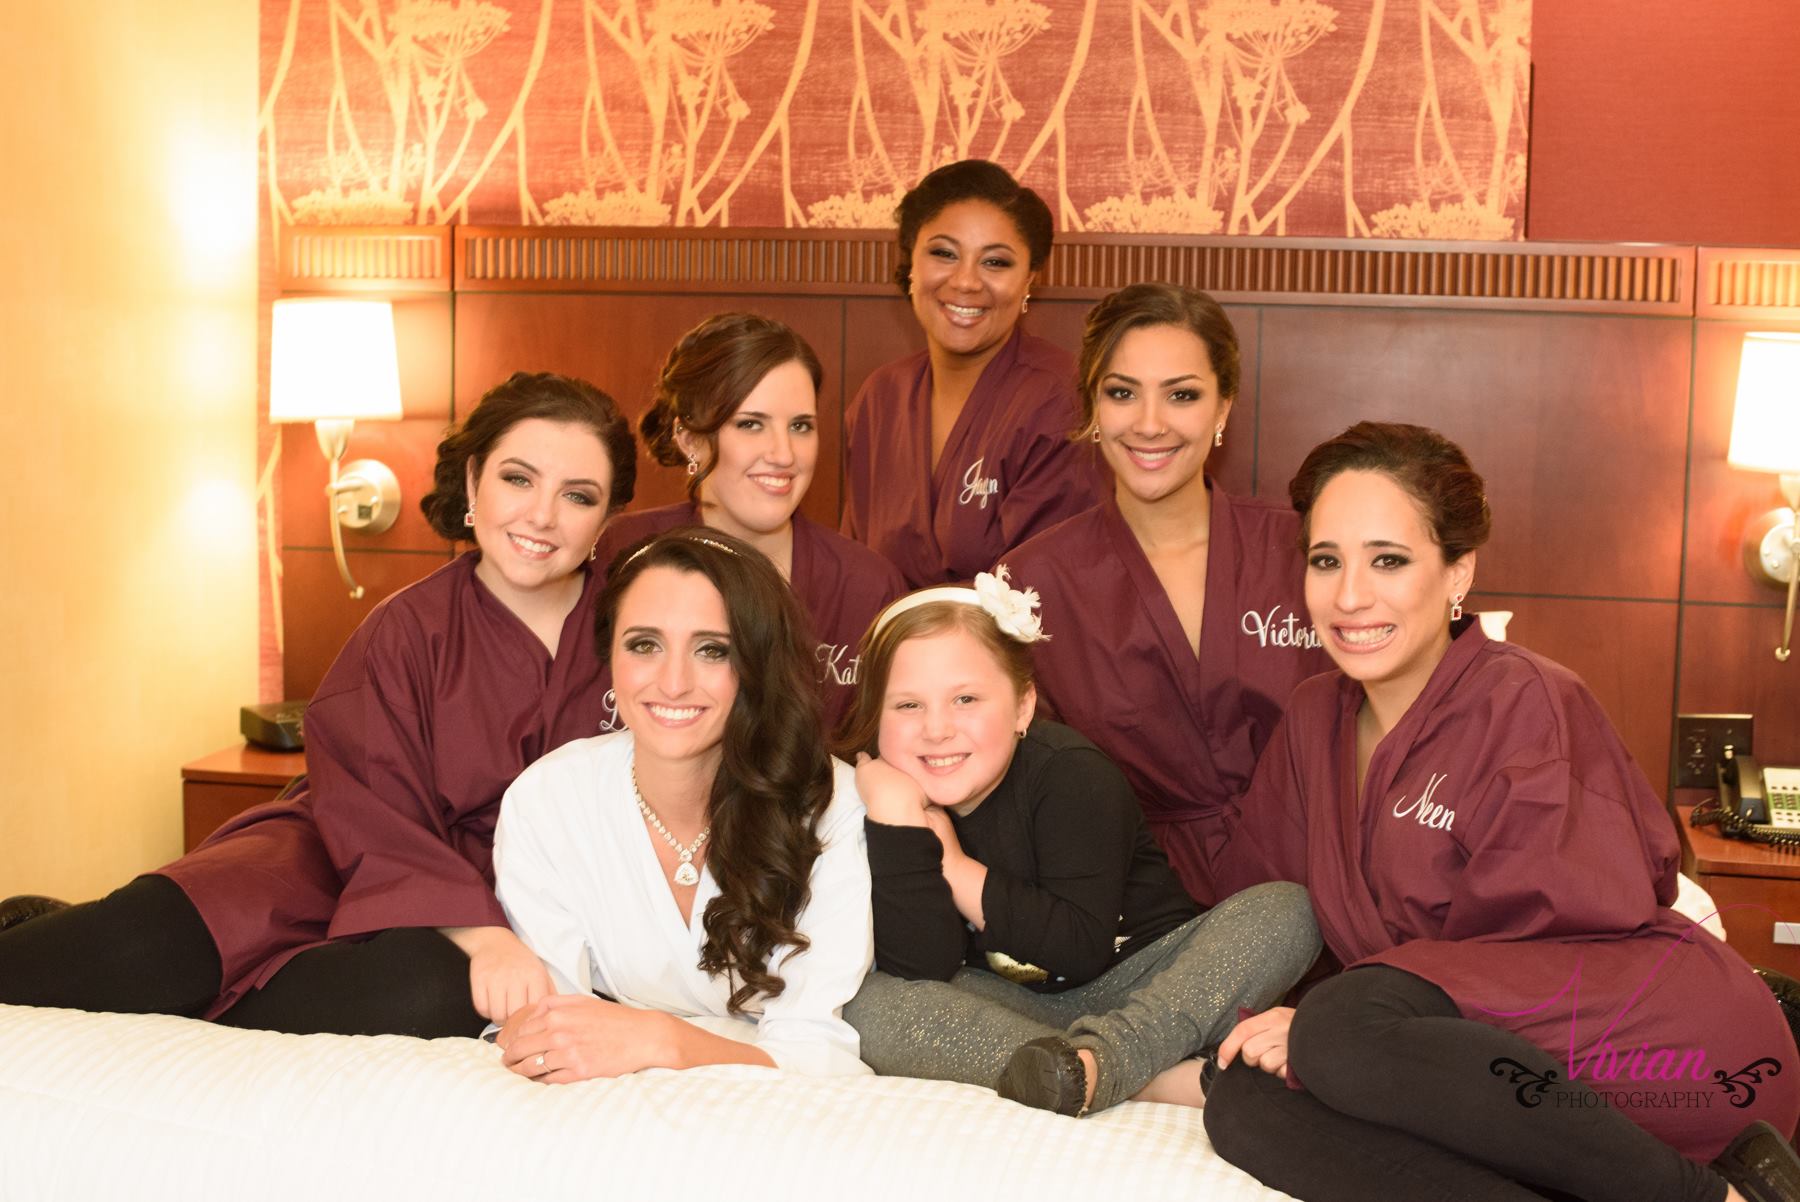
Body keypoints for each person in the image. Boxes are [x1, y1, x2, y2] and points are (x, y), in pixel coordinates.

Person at [1202, 422, 1800, 1202]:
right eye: (1326, 561)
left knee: (1338, 1026)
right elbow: (1272, 911)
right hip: (1454, 1069)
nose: (1349, 596)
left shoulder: (1529, 702)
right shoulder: (1314, 716)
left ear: (1459, 571)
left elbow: (1572, 935)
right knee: (1241, 1101)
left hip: (1650, 1043)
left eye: (1388, 559)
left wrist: (1344, 1022)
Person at [0, 371, 637, 1038]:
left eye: (578, 495)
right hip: (338, 846)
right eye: (518, 479)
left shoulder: (635, 635)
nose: (541, 514)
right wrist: (479, 932)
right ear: (474, 480)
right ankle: (71, 940)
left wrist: (493, 932)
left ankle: (119, 971)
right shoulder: (408, 629)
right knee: (161, 938)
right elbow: (369, 803)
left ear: (607, 517)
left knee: (429, 993)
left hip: (490, 897)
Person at [836, 572, 1321, 1116]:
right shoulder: (882, 799)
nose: (937, 729)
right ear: (874, 719)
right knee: (869, 1002)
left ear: (1023, 707)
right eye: (907, 706)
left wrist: (949, 863)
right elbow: (923, 966)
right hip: (1022, 1009)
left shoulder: (1069, 772)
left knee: (1288, 909)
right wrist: (897, 819)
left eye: (965, 698)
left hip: (1147, 978)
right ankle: (1127, 1077)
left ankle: (1109, 1064)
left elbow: (1078, 945)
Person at [491, 528, 873, 1080]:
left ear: (757, 664)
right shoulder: (549, 800)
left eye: (712, 650)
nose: (673, 682)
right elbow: (551, 1031)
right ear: (610, 656)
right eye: (644, 645)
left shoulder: (833, 808)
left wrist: (663, 1039)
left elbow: (819, 1055)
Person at [1003, 283, 1328, 905]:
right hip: (1133, 902)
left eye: (1182, 395)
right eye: (1122, 393)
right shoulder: (1033, 581)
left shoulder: (1302, 551)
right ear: (1093, 408)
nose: (1150, 424)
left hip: (1312, 884)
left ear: (1223, 407)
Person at [595, 312, 904, 727]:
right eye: (751, 424)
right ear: (689, 439)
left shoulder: (866, 586)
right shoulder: (623, 550)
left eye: (800, 426)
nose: (783, 454)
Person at [841, 159, 1102, 587]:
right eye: (943, 253)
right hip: (884, 645)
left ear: (1029, 281)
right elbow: (852, 571)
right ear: (911, 266)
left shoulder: (1061, 400)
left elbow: (1043, 591)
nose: (965, 282)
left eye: (995, 263)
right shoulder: (879, 397)